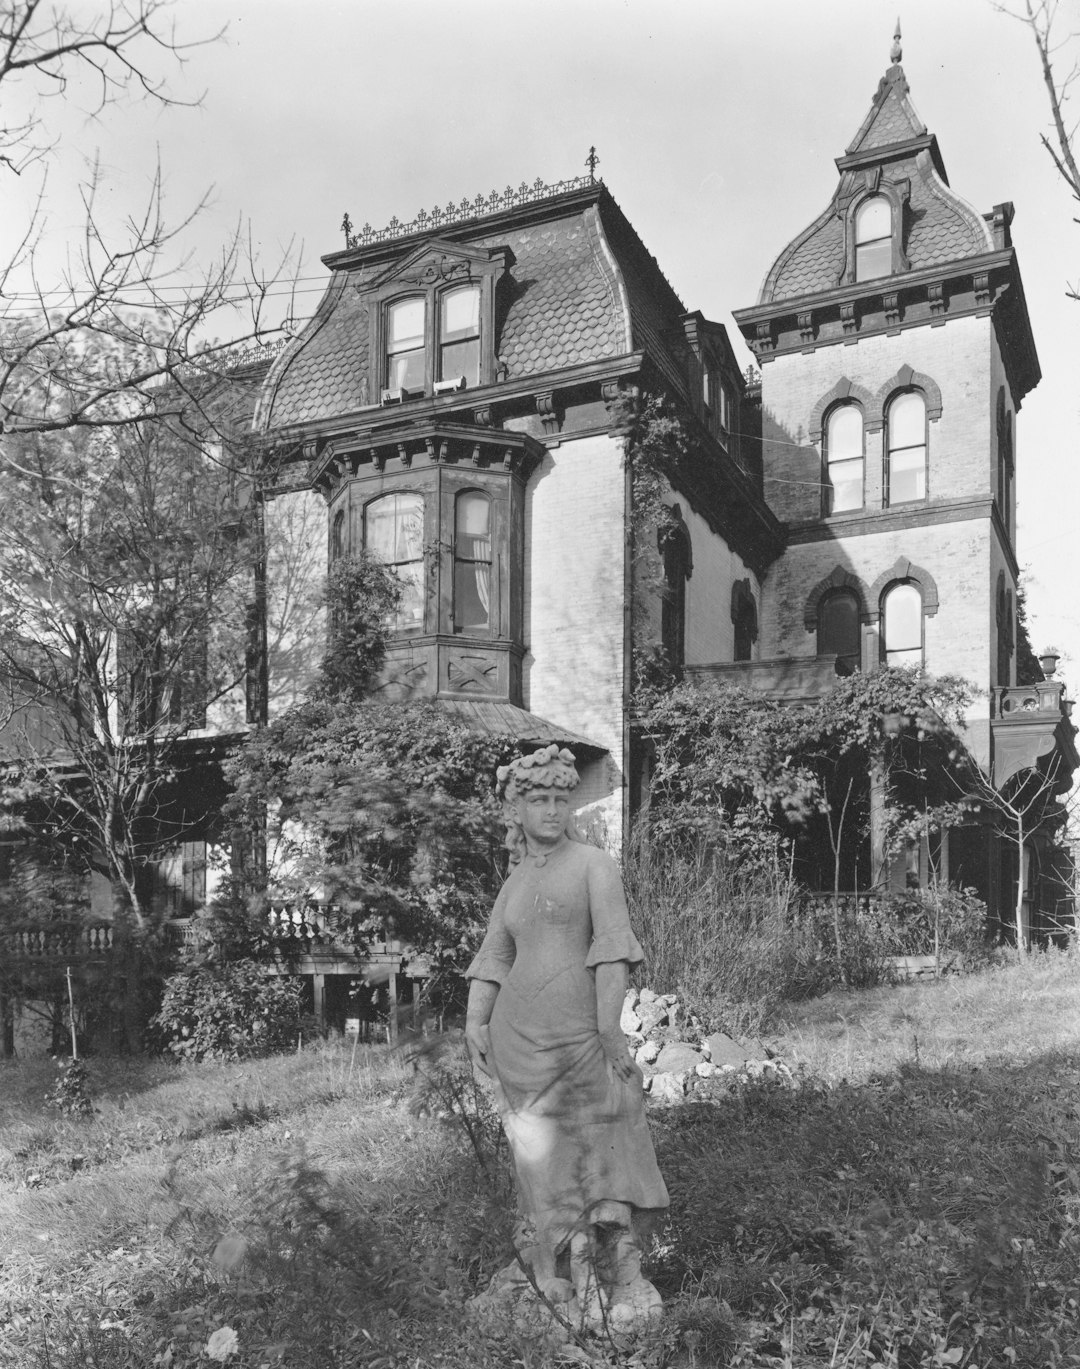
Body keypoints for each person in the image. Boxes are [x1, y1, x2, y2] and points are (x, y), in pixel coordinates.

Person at [465, 745, 668, 1323]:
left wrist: (610, 1031)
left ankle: (612, 1274)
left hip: (582, 1038)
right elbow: (494, 957)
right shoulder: (515, 882)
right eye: (539, 800)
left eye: (560, 799)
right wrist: (476, 1019)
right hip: (518, 1041)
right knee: (537, 1155)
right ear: (517, 808)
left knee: (603, 1139)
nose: (552, 810)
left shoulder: (595, 867)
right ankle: (547, 1267)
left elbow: (612, 954)